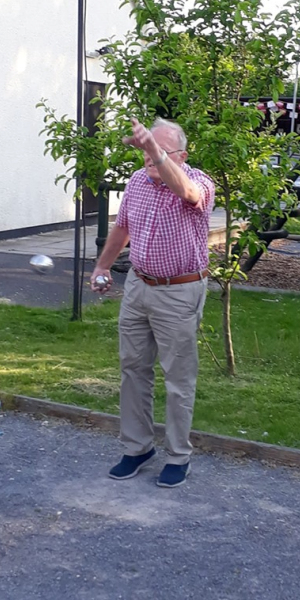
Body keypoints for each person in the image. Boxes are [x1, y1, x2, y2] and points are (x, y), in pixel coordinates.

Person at [90, 116, 215, 488]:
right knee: (132, 369)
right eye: (146, 149)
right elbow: (123, 227)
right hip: (138, 287)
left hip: (179, 291)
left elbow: (188, 193)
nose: (149, 156)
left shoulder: (199, 183)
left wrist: (156, 152)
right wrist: (102, 266)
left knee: (177, 378)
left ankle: (178, 455)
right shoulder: (137, 183)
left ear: (182, 154)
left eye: (158, 149)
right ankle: (137, 447)